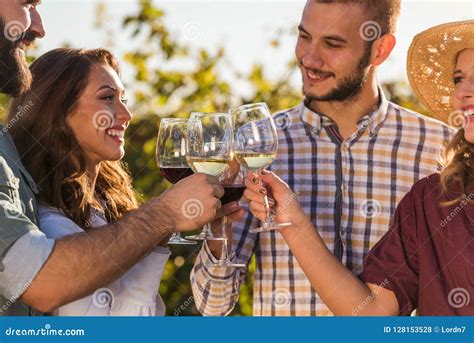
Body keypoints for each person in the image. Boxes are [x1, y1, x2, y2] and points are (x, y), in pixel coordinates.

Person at [190, 0, 455, 316]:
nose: (309, 58)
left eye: (332, 44)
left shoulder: (440, 149)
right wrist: (219, 224)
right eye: (304, 37)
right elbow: (212, 304)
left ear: (380, 50)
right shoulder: (254, 145)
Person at [0, 0, 236, 316]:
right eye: (108, 99)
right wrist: (165, 213)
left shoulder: (107, 218)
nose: (126, 115)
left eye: (123, 99)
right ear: (58, 112)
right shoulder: (50, 226)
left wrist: (192, 224)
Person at [244, 20, 474, 316]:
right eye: (459, 79)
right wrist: (292, 218)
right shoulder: (433, 200)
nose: (462, 94)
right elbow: (369, 314)